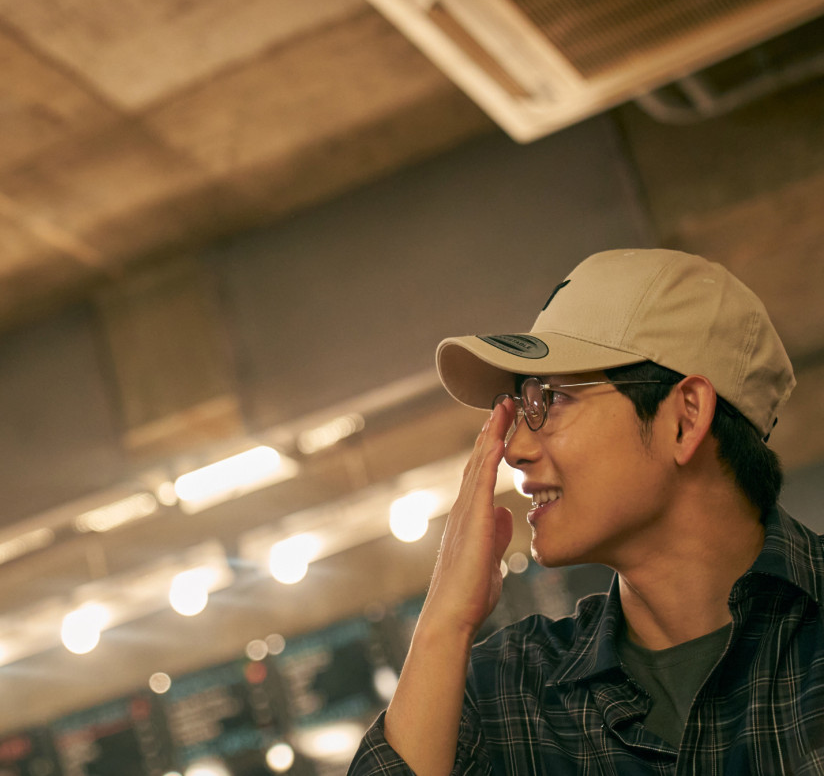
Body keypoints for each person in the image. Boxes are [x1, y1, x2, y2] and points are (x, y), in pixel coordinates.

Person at [347, 248, 824, 774]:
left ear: (686, 418)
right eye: (520, 404)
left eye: (552, 398)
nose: (513, 448)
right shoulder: (506, 697)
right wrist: (443, 623)